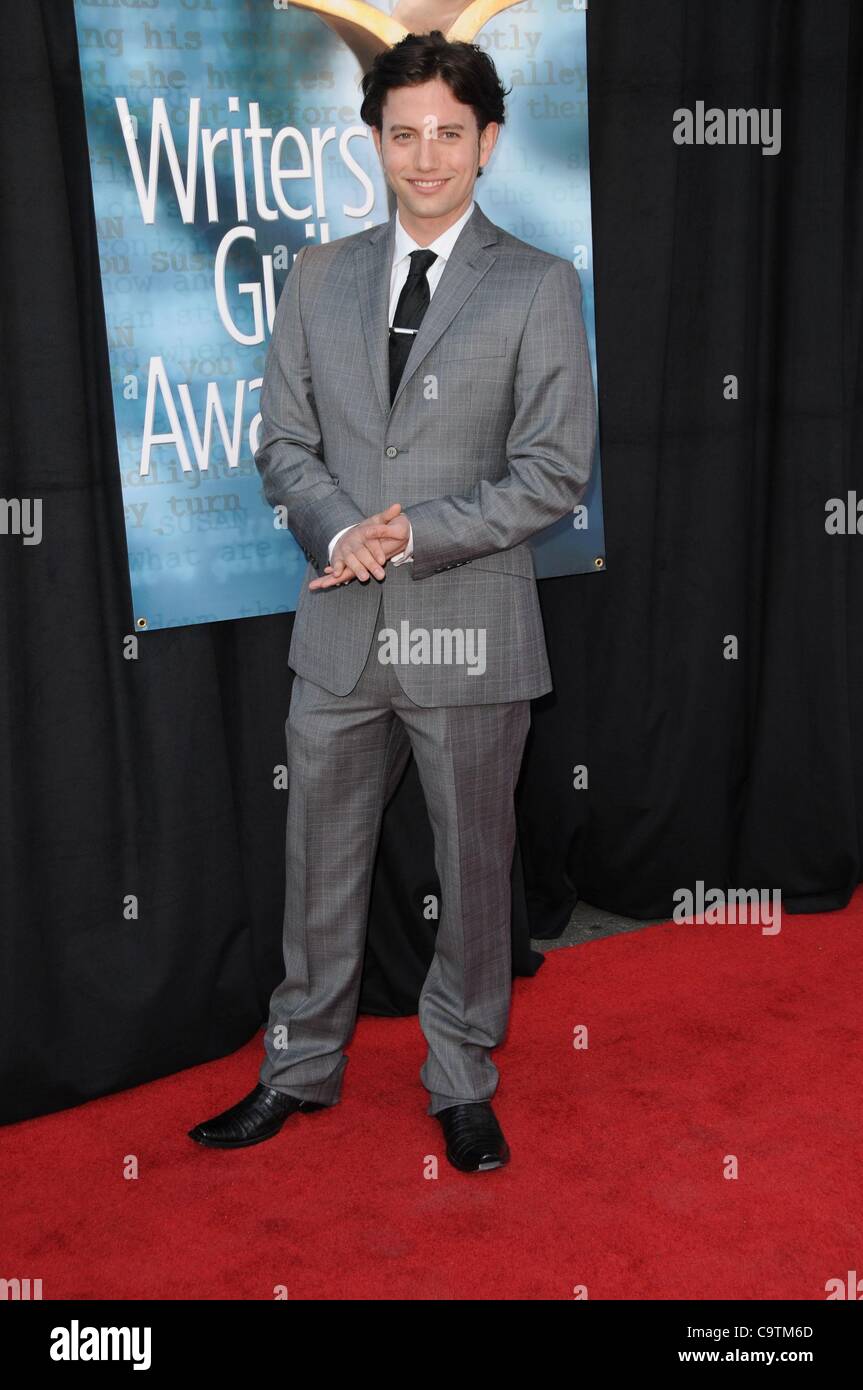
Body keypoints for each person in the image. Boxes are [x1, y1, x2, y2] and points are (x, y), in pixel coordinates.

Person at [188, 29, 596, 1172]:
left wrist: (413, 531)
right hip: (337, 623)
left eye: (449, 136)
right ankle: (295, 1066)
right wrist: (336, 528)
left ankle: (461, 1074)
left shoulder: (535, 284)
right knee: (315, 862)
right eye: (403, 134)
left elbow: (554, 471)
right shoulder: (318, 274)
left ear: (488, 143)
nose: (425, 158)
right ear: (372, 139)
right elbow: (283, 441)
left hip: (470, 623)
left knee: (472, 869)